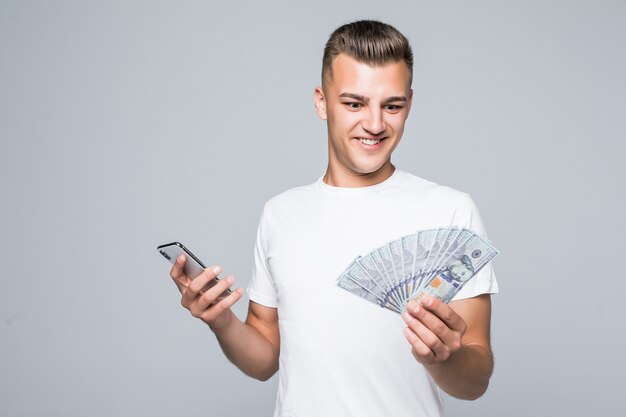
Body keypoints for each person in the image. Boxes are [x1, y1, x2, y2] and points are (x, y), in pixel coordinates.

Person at [169, 20, 498, 417]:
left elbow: (475, 380)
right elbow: (265, 359)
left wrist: (442, 358)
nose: (375, 124)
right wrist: (221, 322)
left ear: (409, 104)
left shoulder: (451, 212)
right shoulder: (281, 214)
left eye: (391, 105)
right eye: (354, 103)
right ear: (321, 102)